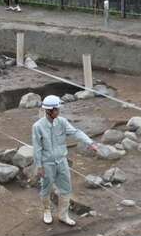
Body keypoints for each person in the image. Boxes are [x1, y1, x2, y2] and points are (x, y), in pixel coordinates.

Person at [32, 95, 98, 226]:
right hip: (47, 163)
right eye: (57, 109)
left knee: (66, 189)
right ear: (49, 110)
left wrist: (90, 143)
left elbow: (76, 132)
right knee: (46, 188)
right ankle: (47, 211)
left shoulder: (62, 122)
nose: (59, 111)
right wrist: (39, 166)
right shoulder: (38, 126)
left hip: (62, 161)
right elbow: (37, 148)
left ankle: (63, 215)